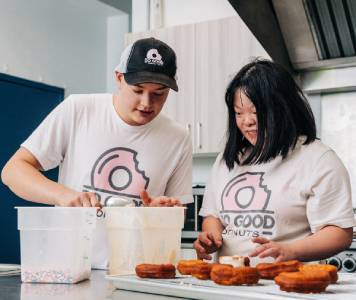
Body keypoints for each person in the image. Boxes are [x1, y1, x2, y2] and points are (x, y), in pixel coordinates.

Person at [1, 37, 193, 268]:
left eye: (159, 93)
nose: (146, 103)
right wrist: (63, 195)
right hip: (70, 268)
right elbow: (13, 171)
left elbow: (178, 213)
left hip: (136, 273)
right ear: (119, 78)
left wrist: (160, 215)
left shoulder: (178, 137)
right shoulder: (79, 109)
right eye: (138, 90)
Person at [193, 59, 355, 264]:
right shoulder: (229, 159)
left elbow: (340, 232)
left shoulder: (318, 159)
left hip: (285, 286)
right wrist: (211, 237)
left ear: (282, 107)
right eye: (238, 113)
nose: (246, 121)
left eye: (255, 111)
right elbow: (212, 216)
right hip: (227, 283)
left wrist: (291, 250)